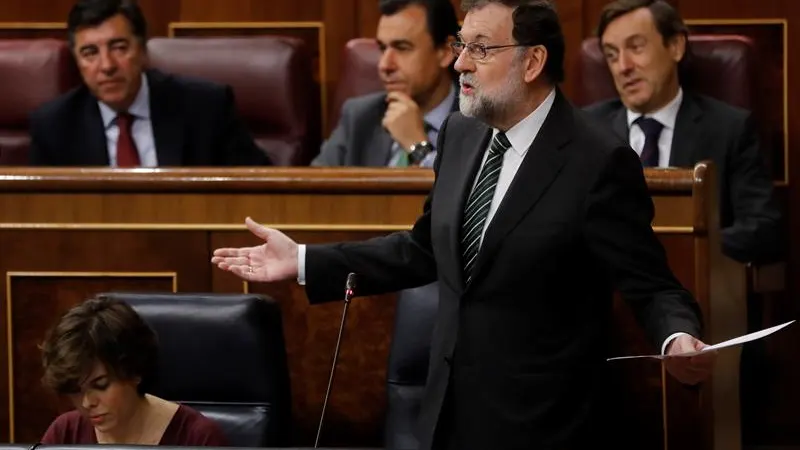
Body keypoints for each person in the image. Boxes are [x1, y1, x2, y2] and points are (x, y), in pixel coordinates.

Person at [213, 1, 714, 448]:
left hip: (544, 426)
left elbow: (652, 287)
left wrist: (677, 338)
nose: (459, 64)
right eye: (460, 45)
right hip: (446, 417)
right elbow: (425, 248)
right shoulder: (462, 132)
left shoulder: (598, 161)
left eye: (480, 48)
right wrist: (303, 260)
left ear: (533, 61)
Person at [584, 0, 782, 264]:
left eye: (636, 47)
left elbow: (763, 229)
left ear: (676, 46)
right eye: (611, 54)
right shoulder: (585, 130)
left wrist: (681, 250)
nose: (623, 66)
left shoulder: (729, 128)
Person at [29, 0, 270, 167]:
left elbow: (258, 188)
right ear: (77, 61)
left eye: (119, 48)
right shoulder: (55, 125)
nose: (107, 65)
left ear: (143, 50)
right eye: (90, 52)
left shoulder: (206, 107)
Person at [39, 296, 229, 446]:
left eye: (101, 385)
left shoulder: (198, 438)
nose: (87, 402)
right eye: (75, 390)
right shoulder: (65, 433)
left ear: (133, 372)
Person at [311, 0, 459, 168]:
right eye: (382, 48)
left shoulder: (479, 123)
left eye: (402, 47)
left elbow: (470, 192)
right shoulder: (360, 117)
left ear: (446, 52)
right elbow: (311, 191)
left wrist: (418, 147)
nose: (384, 65)